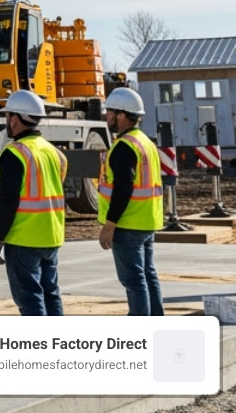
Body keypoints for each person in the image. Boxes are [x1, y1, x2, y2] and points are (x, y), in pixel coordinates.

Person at [0, 90, 67, 316]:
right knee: (51, 293)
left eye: (8, 117)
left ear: (14, 118)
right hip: (51, 235)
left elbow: (7, 200)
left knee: (30, 299)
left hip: (24, 237)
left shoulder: (14, 153)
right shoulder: (54, 152)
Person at [98, 86, 164, 315]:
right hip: (147, 221)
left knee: (134, 281)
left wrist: (109, 225)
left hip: (128, 224)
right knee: (147, 275)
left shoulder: (124, 147)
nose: (107, 116)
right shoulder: (145, 142)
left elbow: (123, 189)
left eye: (110, 112)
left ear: (123, 115)